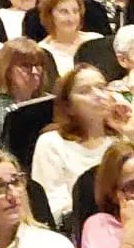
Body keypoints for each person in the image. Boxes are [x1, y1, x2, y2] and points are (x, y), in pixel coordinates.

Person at [30, 64, 122, 225]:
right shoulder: (51, 143)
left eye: (102, 87)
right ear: (68, 106)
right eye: (85, 91)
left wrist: (132, 131)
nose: (99, 95)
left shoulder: (121, 138)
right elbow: (52, 205)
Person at [0, 37, 53, 147]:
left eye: (38, 65)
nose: (35, 72)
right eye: (26, 66)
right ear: (8, 70)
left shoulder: (55, 103)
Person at [36, 0, 102, 76]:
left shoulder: (96, 40)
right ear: (49, 15)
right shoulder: (42, 51)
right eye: (64, 12)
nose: (71, 18)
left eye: (75, 11)